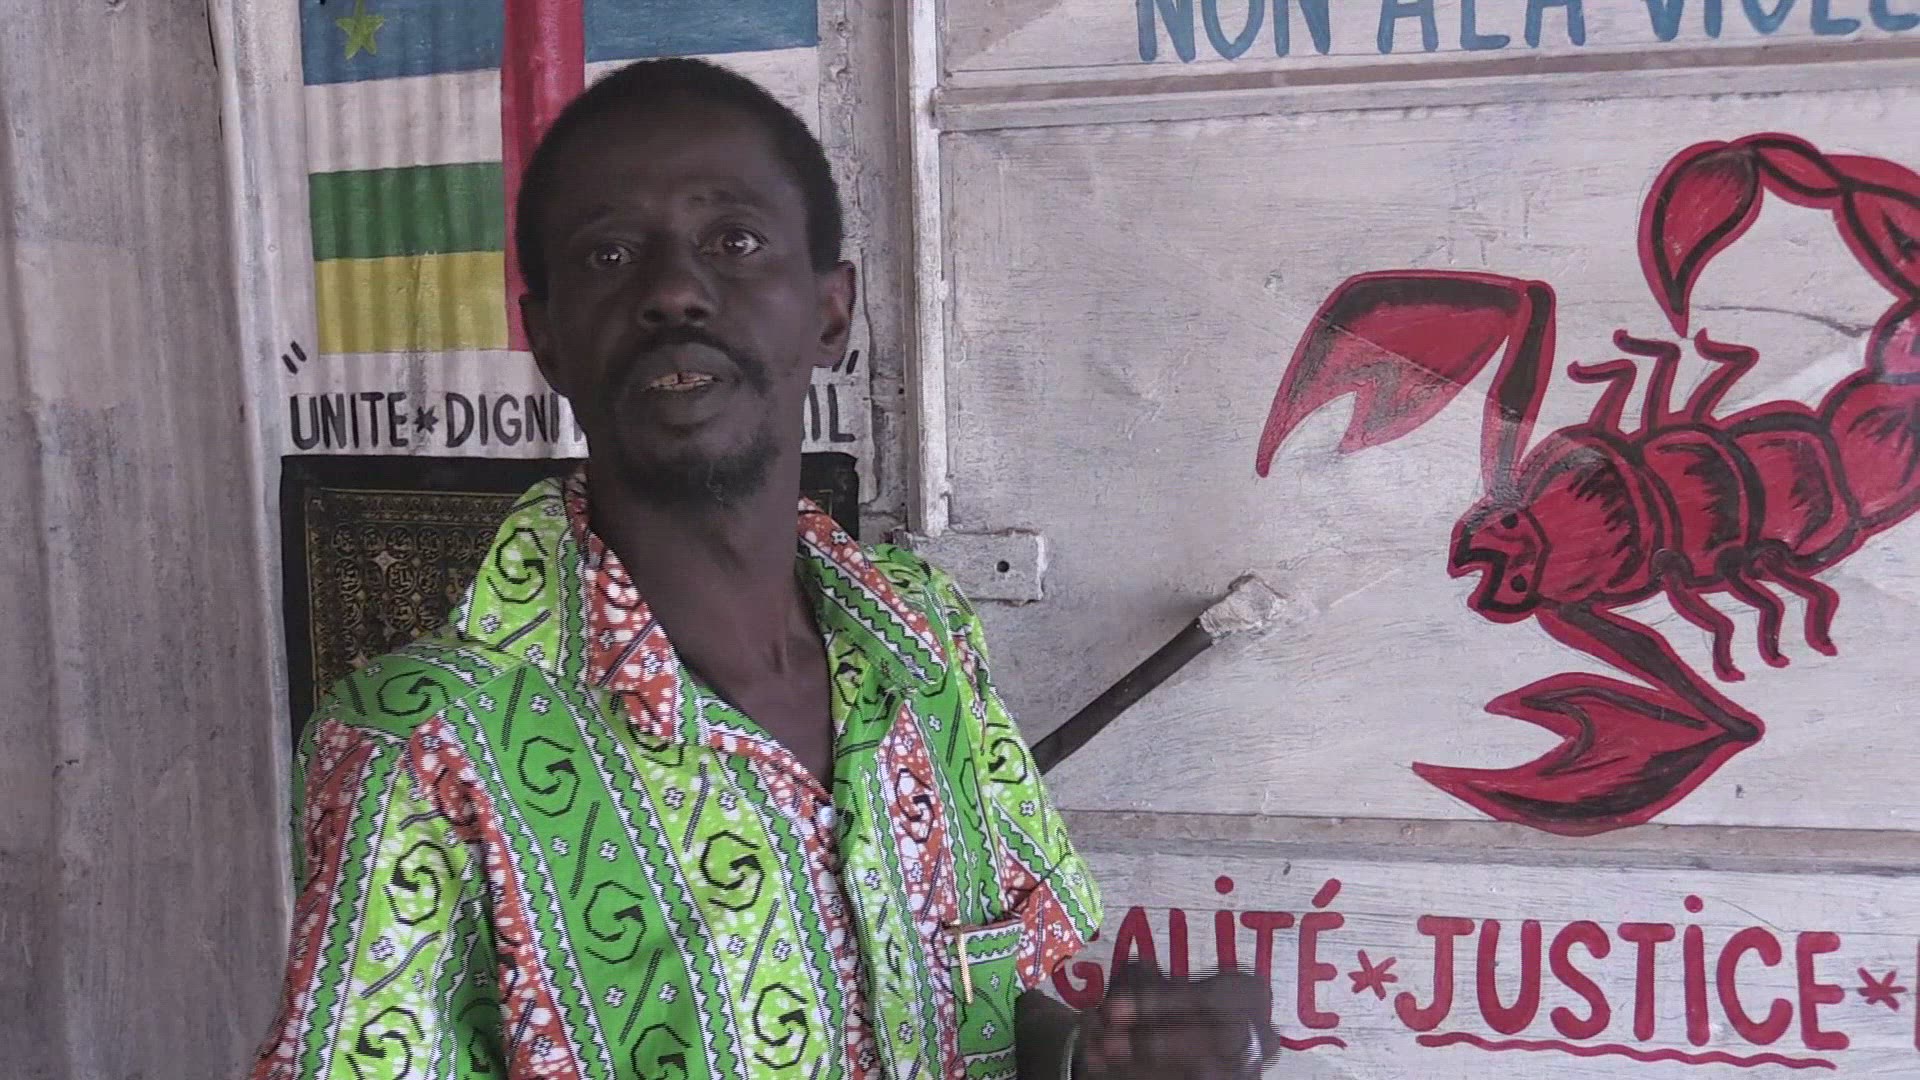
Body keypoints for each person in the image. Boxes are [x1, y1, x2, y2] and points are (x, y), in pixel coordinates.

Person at [251, 58, 1278, 1080]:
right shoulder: (423, 750)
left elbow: (981, 1010)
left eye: (733, 241)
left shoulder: (924, 639)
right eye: (609, 254)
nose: (672, 292)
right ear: (548, 338)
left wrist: (1085, 1059)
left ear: (831, 310)